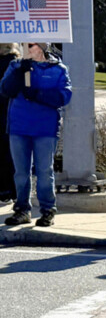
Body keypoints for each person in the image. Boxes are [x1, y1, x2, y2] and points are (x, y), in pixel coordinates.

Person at [1, 42, 71, 227]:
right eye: (24, 45)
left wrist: (38, 94)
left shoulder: (58, 69)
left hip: (45, 128)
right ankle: (22, 209)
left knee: (44, 171)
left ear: (40, 47)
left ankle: (48, 210)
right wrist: (19, 72)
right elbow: (5, 90)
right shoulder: (15, 66)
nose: (26, 48)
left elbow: (64, 96)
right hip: (18, 127)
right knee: (21, 173)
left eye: (30, 45)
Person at [0, 43, 19, 202]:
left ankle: (7, 190)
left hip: (6, 111)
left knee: (7, 152)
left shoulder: (11, 64)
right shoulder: (15, 62)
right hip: (10, 111)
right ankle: (10, 190)